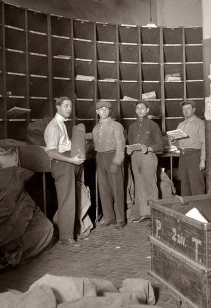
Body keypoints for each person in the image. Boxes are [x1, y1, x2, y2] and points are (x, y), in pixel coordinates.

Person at [44, 96, 86, 247]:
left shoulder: (62, 124)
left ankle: (61, 225)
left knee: (69, 199)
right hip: (62, 164)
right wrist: (71, 160)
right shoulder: (54, 126)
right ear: (58, 107)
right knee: (67, 200)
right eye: (66, 106)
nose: (69, 108)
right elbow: (51, 152)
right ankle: (66, 238)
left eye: (70, 106)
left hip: (68, 162)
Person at [126, 100, 164, 223]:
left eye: (142, 108)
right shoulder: (132, 127)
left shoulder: (153, 125)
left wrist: (147, 148)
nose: (140, 110)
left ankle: (155, 216)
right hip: (135, 158)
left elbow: (160, 145)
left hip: (148, 156)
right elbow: (131, 143)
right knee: (140, 186)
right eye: (138, 108)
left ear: (147, 110)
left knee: (151, 186)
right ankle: (145, 213)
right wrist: (129, 150)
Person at [92, 100, 126, 229]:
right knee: (104, 188)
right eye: (101, 109)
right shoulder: (96, 128)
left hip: (113, 156)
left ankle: (120, 219)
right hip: (100, 157)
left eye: (106, 109)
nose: (104, 111)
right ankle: (109, 218)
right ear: (97, 111)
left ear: (110, 111)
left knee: (117, 189)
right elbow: (95, 145)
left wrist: (116, 162)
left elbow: (120, 145)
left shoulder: (116, 125)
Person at [170, 100, 205, 196]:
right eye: (183, 109)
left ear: (194, 109)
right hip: (183, 155)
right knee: (184, 184)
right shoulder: (181, 125)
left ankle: (199, 208)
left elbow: (204, 143)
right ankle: (188, 208)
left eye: (188, 109)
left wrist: (202, 160)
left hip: (195, 155)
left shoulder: (200, 123)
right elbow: (178, 142)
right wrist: (175, 142)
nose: (185, 111)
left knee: (196, 184)